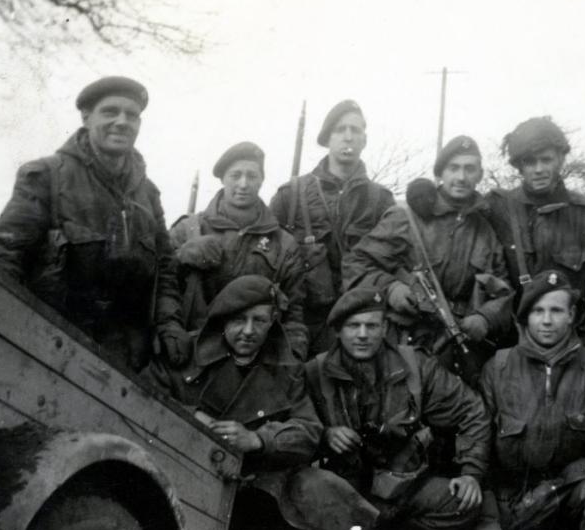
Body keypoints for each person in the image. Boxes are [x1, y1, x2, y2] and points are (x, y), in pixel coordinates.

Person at [144, 275, 379, 530]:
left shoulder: (287, 369)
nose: (248, 331)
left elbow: (308, 430)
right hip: (182, 471)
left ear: (272, 323)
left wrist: (258, 440)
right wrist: (194, 418)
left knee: (321, 491)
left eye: (259, 321)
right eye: (238, 319)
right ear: (222, 320)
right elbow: (140, 397)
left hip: (257, 486)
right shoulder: (185, 353)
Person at [0, 76, 188, 371]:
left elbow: (166, 269)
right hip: (47, 347)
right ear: (85, 117)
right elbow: (3, 257)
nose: (122, 122)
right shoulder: (46, 175)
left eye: (132, 115)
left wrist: (169, 322)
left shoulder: (148, 195)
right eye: (110, 112)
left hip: (125, 363)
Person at [305, 287, 492, 530]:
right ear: (338, 331)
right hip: (345, 492)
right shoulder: (313, 373)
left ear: (385, 329)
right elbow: (296, 428)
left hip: (404, 485)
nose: (363, 335)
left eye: (372, 326)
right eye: (353, 326)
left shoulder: (416, 365)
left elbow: (473, 410)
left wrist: (471, 472)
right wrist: (326, 435)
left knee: (462, 504)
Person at [342, 136, 513, 384]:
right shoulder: (406, 217)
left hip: (457, 345)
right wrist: (391, 289)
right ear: (440, 173)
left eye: (469, 169)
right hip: (403, 342)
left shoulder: (485, 231)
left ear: (480, 174)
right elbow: (355, 264)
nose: (461, 177)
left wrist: (486, 317)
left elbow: (503, 289)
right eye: (453, 168)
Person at [480, 270, 585, 530]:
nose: (546, 321)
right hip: (511, 501)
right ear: (525, 317)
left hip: (571, 495)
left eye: (556, 310)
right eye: (537, 311)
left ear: (571, 316)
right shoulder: (497, 368)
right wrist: (488, 518)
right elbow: (479, 444)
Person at [484, 117, 585, 361]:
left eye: (546, 159)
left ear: (560, 160)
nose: (538, 169)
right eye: (530, 162)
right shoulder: (499, 210)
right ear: (519, 166)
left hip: (574, 349)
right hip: (513, 349)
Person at [270, 100, 394, 356]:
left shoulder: (381, 200)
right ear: (327, 138)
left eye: (355, 130)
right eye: (340, 129)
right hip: (306, 322)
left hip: (361, 326)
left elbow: (394, 260)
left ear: (364, 140)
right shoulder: (291, 195)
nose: (348, 137)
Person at [170, 141, 308, 358]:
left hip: (254, 359)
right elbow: (162, 290)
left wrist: (292, 357)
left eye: (252, 176)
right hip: (192, 352)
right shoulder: (188, 230)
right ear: (223, 179)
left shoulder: (284, 244)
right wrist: (180, 257)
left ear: (262, 180)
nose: (243, 184)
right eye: (235, 175)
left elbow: (294, 314)